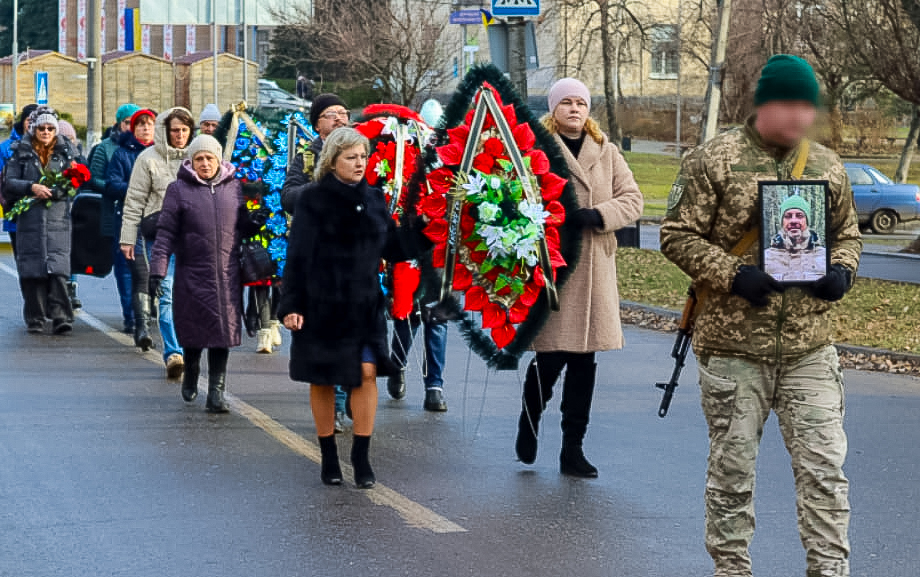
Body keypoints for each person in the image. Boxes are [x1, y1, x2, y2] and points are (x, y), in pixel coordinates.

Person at [659, 55, 862, 577]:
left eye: (807, 107)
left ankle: (830, 571)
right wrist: (731, 273)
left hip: (809, 347)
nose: (800, 118)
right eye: (789, 105)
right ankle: (731, 569)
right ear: (764, 104)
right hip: (733, 349)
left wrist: (841, 271)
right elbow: (676, 234)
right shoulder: (715, 159)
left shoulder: (826, 165)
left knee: (825, 472)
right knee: (732, 474)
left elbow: (847, 234)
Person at [279, 127, 429, 489]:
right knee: (324, 378)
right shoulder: (312, 200)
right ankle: (329, 455)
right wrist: (292, 305)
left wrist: (426, 230)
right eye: (351, 157)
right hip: (320, 305)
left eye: (363, 156)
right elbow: (297, 256)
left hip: (363, 305)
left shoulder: (376, 199)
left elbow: (393, 247)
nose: (360, 163)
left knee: (365, 371)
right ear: (332, 161)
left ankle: (361, 456)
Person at [514, 78, 643, 479]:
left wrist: (599, 215)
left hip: (595, 265)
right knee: (550, 358)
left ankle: (573, 448)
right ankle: (529, 421)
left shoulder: (607, 151)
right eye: (566, 103)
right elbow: (516, 197)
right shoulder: (535, 150)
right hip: (554, 264)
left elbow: (633, 199)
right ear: (553, 110)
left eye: (580, 103)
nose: (574, 109)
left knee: (585, 362)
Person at [150, 135, 264, 412]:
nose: (204, 163)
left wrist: (254, 223)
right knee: (193, 332)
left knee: (221, 335)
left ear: (218, 159)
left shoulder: (234, 188)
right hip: (192, 273)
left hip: (227, 275)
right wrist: (158, 270)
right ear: (191, 161)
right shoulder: (178, 190)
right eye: (198, 158)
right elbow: (165, 233)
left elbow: (242, 226)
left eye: (209, 158)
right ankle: (191, 372)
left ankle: (216, 392)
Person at [280, 92, 351, 431]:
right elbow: (288, 197)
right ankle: (335, 405)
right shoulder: (305, 158)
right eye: (330, 114)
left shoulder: (363, 154)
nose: (339, 118)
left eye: (343, 112)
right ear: (318, 125)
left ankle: (348, 392)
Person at [120, 107, 194, 381]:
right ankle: (174, 353)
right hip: (160, 237)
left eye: (185, 130)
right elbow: (135, 200)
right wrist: (128, 237)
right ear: (165, 130)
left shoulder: (196, 156)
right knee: (167, 293)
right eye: (175, 130)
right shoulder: (147, 159)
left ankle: (191, 350)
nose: (180, 136)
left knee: (192, 295)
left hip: (194, 238)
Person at [2, 107, 79, 334]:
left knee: (58, 271)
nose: (45, 132)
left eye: (50, 128)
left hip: (58, 220)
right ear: (34, 129)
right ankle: (35, 317)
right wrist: (31, 187)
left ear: (55, 130)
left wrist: (57, 192)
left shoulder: (66, 153)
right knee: (32, 271)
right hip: (30, 220)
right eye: (41, 128)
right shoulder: (21, 152)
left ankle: (61, 317)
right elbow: (9, 183)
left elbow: (76, 183)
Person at [88, 103, 141, 332]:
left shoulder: (150, 149)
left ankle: (146, 309)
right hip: (116, 212)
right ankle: (130, 313)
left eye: (136, 123)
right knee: (125, 267)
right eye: (127, 122)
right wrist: (120, 188)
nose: (132, 127)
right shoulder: (106, 149)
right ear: (119, 124)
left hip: (147, 217)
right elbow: (94, 179)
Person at [106, 109, 156, 335]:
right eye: (141, 125)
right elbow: (112, 184)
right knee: (130, 270)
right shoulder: (122, 154)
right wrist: (138, 190)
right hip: (129, 218)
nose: (146, 128)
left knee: (155, 269)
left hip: (157, 219)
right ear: (133, 129)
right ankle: (133, 316)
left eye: (150, 124)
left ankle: (148, 313)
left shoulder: (162, 153)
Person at [0, 103, 38, 256]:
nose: (32, 124)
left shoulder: (49, 146)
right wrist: (3, 199)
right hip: (15, 212)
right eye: (29, 119)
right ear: (23, 121)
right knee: (22, 261)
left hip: (41, 213)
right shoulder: (7, 147)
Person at [764, 194, 828, 281]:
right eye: (788, 216)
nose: (793, 220)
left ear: (807, 221)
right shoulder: (766, 257)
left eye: (799, 215)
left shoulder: (825, 256)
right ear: (782, 222)